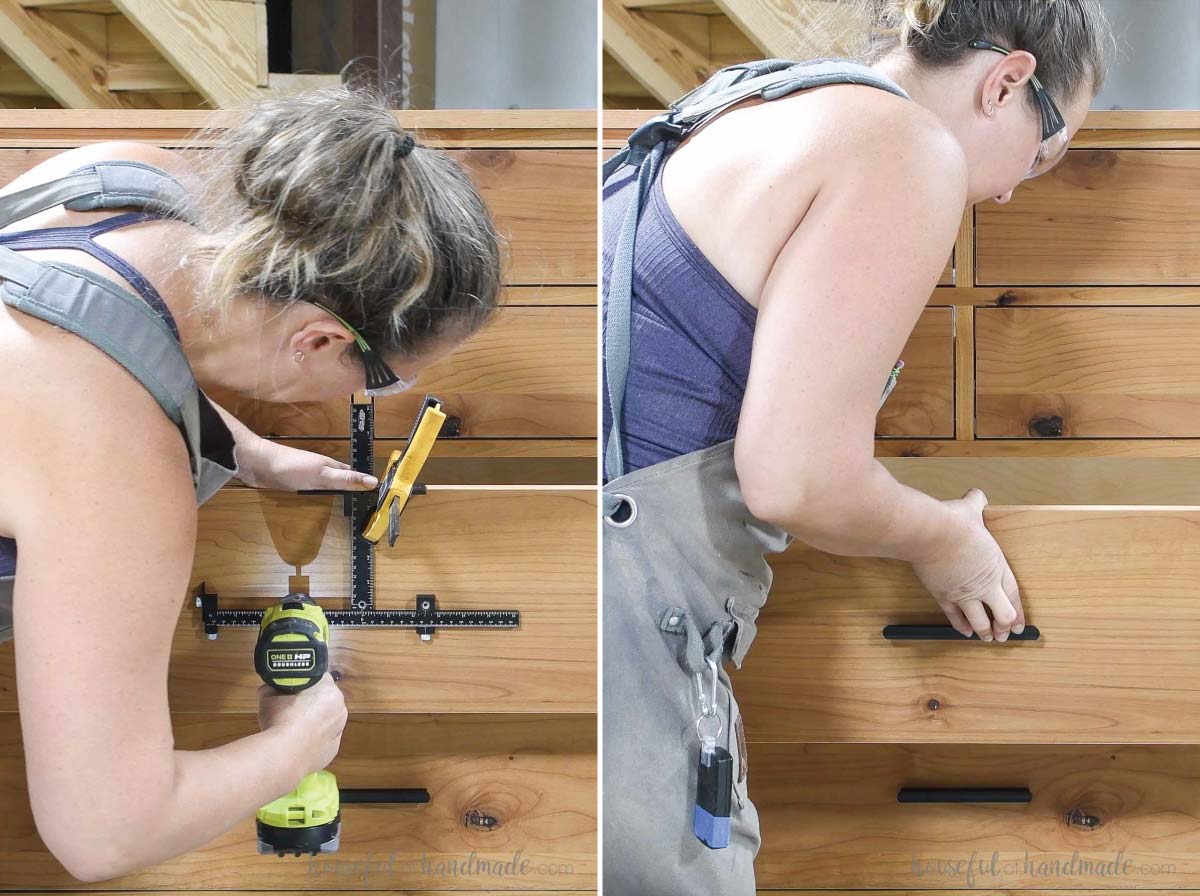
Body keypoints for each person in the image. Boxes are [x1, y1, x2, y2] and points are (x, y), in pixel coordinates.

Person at [600, 1, 1113, 893]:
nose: (1009, 192)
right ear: (1007, 81)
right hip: (629, 604)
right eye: (1044, 153)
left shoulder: (747, 99)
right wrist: (944, 539)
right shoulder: (903, 147)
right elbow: (797, 478)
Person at [0, 82, 502, 880]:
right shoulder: (118, 464)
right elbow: (104, 834)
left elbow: (105, 323)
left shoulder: (127, 183)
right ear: (319, 339)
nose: (363, 401)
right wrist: (298, 743)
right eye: (379, 383)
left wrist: (241, 448)